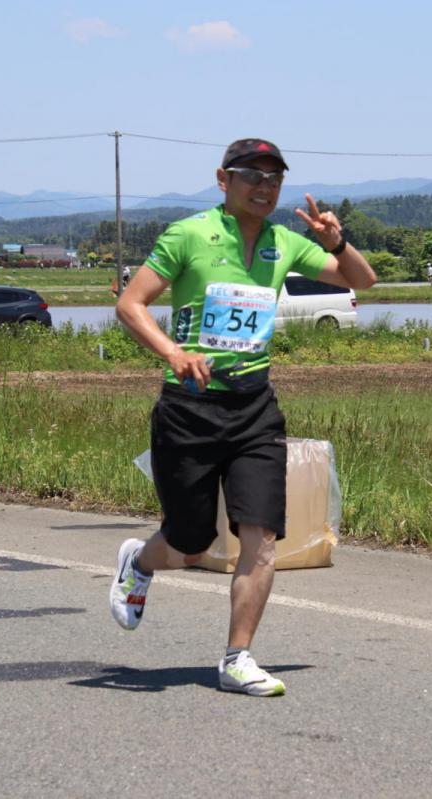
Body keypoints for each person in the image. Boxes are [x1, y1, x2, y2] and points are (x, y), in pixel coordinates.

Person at [112, 138, 377, 696]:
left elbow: (362, 280)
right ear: (223, 180)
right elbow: (130, 305)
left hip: (255, 409)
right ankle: (141, 562)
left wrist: (336, 240)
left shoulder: (285, 242)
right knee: (189, 544)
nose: (264, 187)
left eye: (273, 178)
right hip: (189, 408)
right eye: (251, 175)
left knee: (261, 537)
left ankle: (238, 658)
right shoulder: (188, 235)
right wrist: (173, 353)